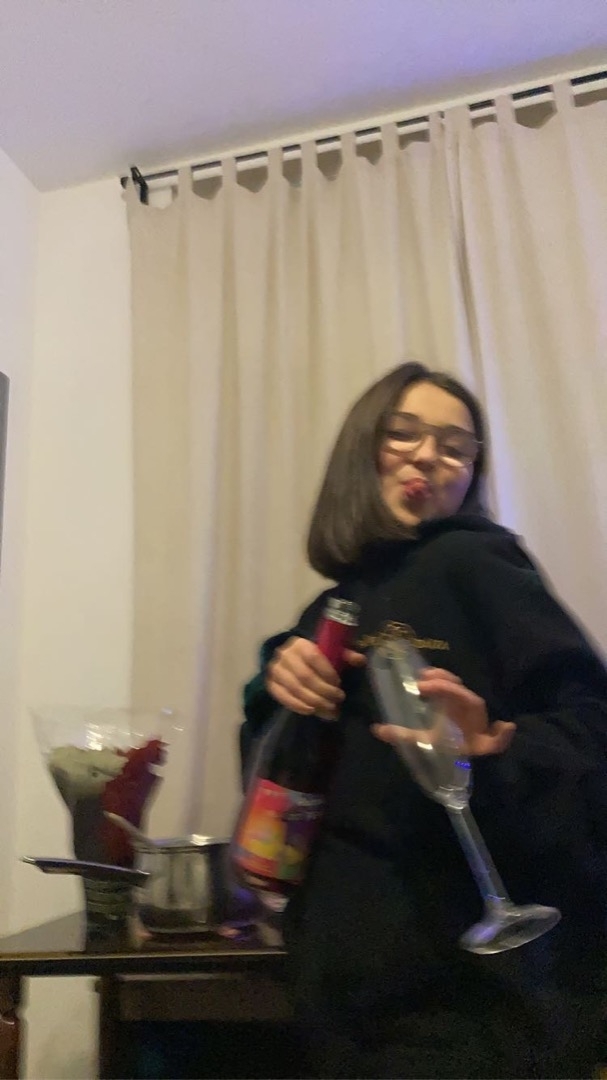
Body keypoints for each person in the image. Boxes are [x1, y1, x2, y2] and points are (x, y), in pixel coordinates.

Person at [239, 362, 607, 1079]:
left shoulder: (476, 561)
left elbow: (592, 723)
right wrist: (274, 684)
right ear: (362, 449)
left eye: (455, 447)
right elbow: (286, 779)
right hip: (346, 986)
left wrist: (496, 746)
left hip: (460, 987)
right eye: (403, 434)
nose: (429, 456)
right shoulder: (332, 607)